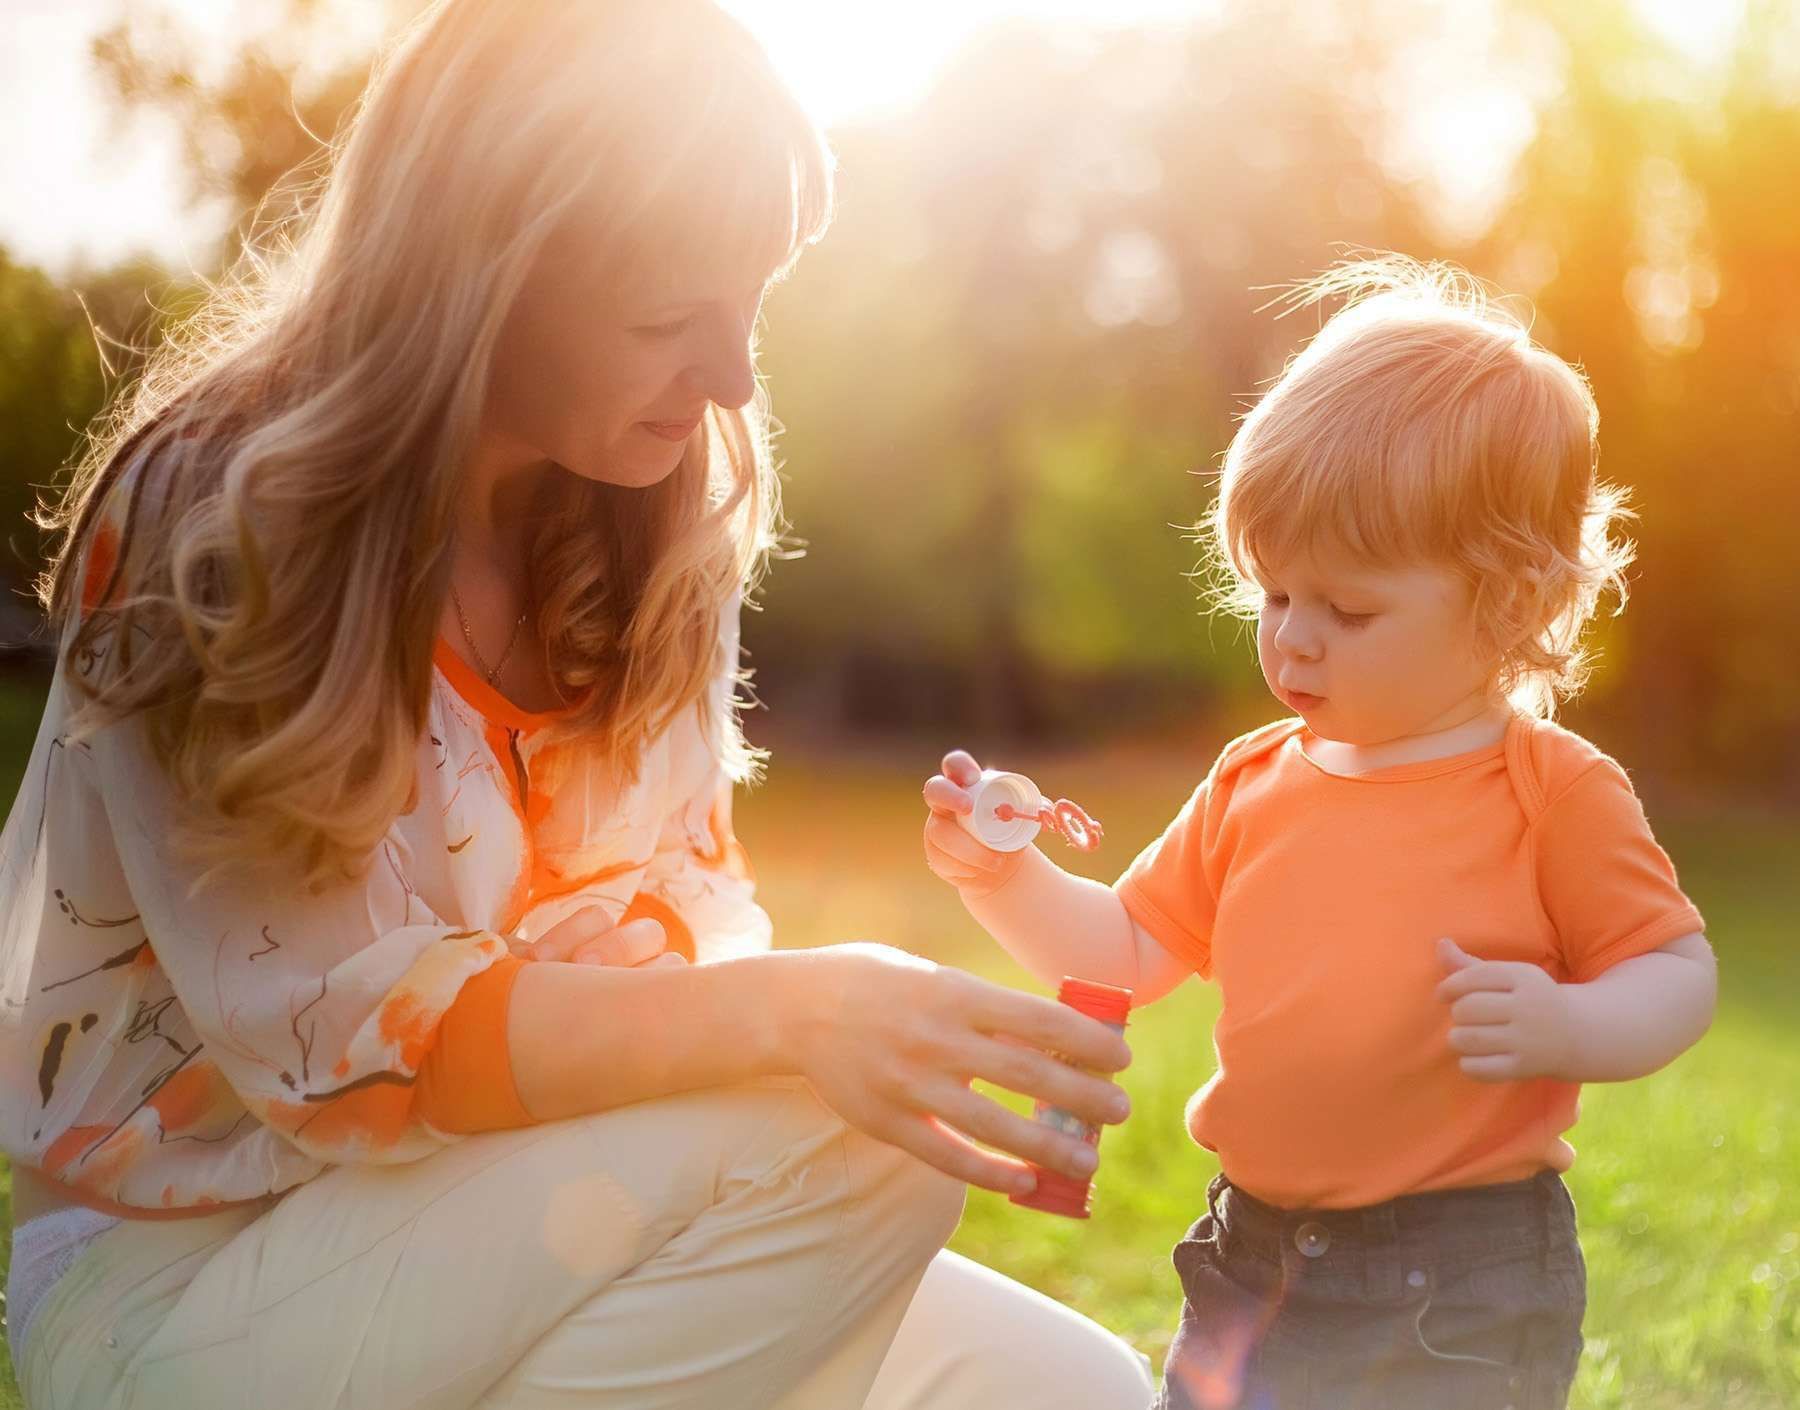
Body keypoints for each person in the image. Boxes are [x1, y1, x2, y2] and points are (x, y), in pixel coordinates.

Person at [0, 2, 1155, 1405]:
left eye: (756, 301)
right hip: (175, 1279)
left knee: (1079, 1391)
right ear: (486, 274)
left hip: (502, 1211)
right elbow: (349, 1052)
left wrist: (840, 1014)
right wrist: (802, 1015)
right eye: (672, 316)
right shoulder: (225, 518)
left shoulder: (655, 507)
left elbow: (670, 920)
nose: (733, 375)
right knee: (843, 1145)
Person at [922, 258, 1718, 1410]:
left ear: (1514, 604)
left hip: (1457, 1276)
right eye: (1274, 595)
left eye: (1346, 610)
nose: (1292, 641)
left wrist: (1573, 1020)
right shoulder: (1254, 780)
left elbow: (1678, 972)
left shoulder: (1551, 790)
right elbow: (1128, 954)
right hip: (1252, 1255)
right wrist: (1000, 872)